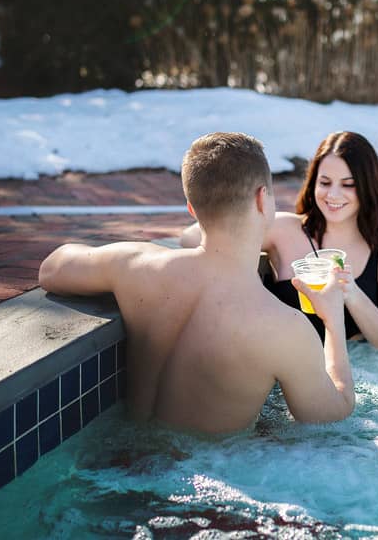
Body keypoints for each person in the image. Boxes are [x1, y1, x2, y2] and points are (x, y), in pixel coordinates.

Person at [39, 132, 354, 435]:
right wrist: (333, 320)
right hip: (199, 478)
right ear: (262, 200)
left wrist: (122, 252)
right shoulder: (284, 327)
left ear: (192, 208)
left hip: (123, 461)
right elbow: (329, 418)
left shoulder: (136, 265)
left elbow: (51, 269)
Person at [181, 131, 378, 352]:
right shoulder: (285, 230)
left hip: (363, 376)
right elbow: (191, 238)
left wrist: (351, 291)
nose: (332, 194)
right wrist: (248, 275)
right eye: (324, 182)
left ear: (367, 187)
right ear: (313, 183)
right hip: (284, 367)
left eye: (347, 184)